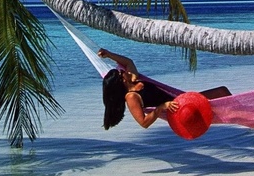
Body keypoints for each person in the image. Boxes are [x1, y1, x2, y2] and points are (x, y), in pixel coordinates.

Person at [96, 47, 229, 136]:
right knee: (221, 94)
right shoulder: (131, 97)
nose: (122, 70)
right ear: (121, 81)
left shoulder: (135, 78)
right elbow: (144, 123)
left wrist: (108, 54)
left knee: (222, 93)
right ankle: (246, 115)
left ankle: (246, 116)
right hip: (180, 108)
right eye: (121, 73)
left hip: (182, 98)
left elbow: (128, 61)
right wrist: (161, 107)